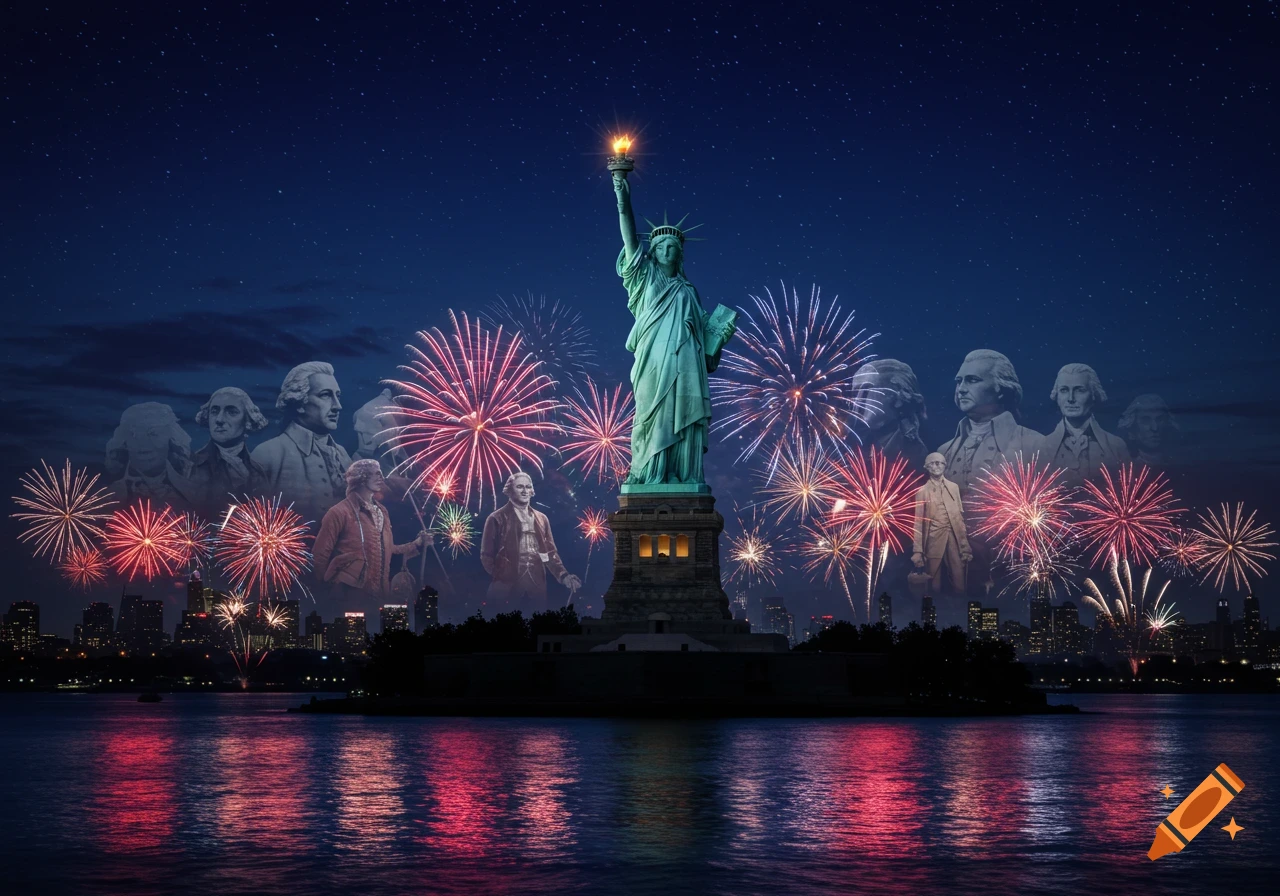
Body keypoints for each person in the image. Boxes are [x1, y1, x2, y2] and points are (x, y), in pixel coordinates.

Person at [612, 167, 737, 487]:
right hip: (653, 361)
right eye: (661, 247)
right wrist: (622, 197)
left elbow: (704, 346)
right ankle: (648, 473)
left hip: (686, 364)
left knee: (683, 421)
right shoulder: (644, 278)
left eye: (673, 247)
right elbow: (629, 236)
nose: (667, 250)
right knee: (650, 417)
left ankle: (681, 474)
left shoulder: (689, 291)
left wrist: (718, 339)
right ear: (652, 253)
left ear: (679, 254)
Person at [312, 459, 430, 611]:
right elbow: (319, 555)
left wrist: (417, 543)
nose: (381, 477)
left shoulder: (382, 512)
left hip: (380, 596)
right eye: (376, 473)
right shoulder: (339, 512)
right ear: (361, 478)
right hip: (350, 598)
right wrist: (324, 592)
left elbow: (389, 549)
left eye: (381, 472)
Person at [251, 361, 351, 523]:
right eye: (325, 395)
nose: (337, 406)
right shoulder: (268, 454)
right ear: (299, 403)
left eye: (337, 396)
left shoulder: (343, 456)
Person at [480, 471, 581, 612]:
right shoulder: (496, 518)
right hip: (505, 587)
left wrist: (564, 576)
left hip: (536, 585)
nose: (525, 491)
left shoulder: (542, 519)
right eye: (520, 487)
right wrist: (501, 575)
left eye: (528, 487)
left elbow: (550, 554)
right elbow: (486, 555)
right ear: (509, 491)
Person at [1042, 363, 1130, 485]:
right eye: (1064, 390)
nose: (1071, 398)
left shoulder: (1116, 447)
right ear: (1057, 396)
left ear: (1093, 395)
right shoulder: (1041, 447)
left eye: (1080, 390)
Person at [187, 386, 270, 512]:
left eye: (231, 412)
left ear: (247, 419)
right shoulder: (189, 466)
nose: (219, 420)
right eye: (214, 411)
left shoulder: (258, 472)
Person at [106, 402, 197, 509]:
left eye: (153, 433)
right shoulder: (109, 497)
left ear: (172, 438)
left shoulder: (193, 492)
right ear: (123, 441)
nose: (143, 444)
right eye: (133, 435)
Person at [911, 453, 972, 595]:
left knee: (959, 576)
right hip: (933, 538)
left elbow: (959, 517)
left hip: (954, 536)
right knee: (933, 581)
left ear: (945, 465)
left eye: (939, 463)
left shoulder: (954, 487)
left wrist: (965, 543)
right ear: (926, 467)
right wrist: (917, 551)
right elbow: (918, 523)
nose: (936, 466)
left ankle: (960, 608)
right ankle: (934, 609)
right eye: (932, 463)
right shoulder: (922, 492)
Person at [851, 358, 928, 469]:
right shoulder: (852, 449)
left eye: (866, 391)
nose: (858, 400)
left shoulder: (916, 455)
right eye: (855, 393)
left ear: (897, 396)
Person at [1118, 393, 1179, 468]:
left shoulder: (1181, 464)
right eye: (1146, 420)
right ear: (1131, 429)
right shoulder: (1123, 466)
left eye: (1159, 419)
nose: (1154, 428)